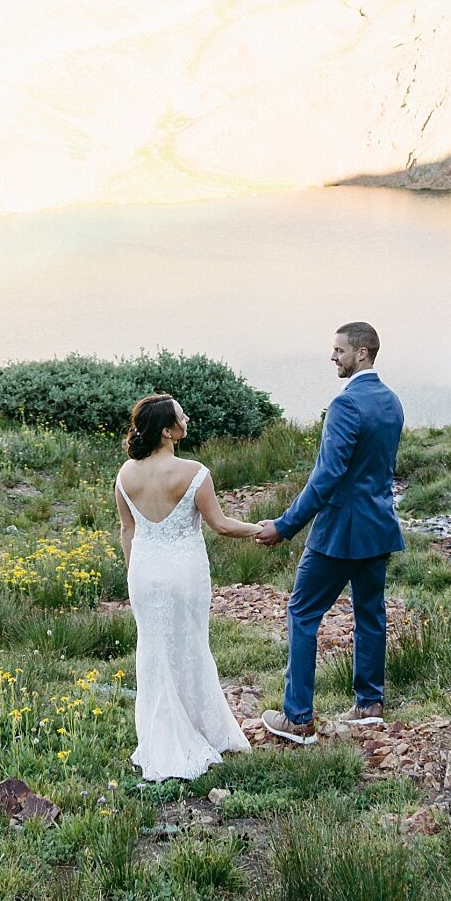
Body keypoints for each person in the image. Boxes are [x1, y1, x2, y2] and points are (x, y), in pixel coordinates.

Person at [116, 396, 264, 781]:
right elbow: (222, 525)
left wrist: (136, 575)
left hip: (145, 575)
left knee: (154, 653)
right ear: (168, 430)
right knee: (191, 645)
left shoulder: (125, 475)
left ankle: (161, 734)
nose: (187, 418)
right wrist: (260, 528)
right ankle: (200, 730)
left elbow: (127, 530)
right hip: (184, 574)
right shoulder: (194, 472)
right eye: (181, 415)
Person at [268, 327, 405, 739]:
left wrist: (285, 525)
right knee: (370, 613)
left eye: (338, 350)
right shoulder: (391, 402)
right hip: (378, 526)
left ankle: (298, 717)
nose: (333, 357)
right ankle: (369, 703)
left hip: (340, 532)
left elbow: (327, 477)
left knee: (303, 611)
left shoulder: (345, 404)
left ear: (361, 353)